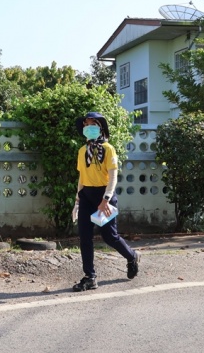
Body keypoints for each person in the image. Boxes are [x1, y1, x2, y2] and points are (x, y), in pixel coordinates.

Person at [71, 112, 140, 292]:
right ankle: (90, 277)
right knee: (85, 237)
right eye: (86, 124)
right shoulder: (82, 151)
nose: (88, 127)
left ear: (100, 128)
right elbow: (82, 177)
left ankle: (132, 256)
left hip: (104, 196)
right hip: (86, 196)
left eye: (92, 124)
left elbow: (113, 176)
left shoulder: (108, 149)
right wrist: (77, 201)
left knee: (109, 236)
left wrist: (106, 199)